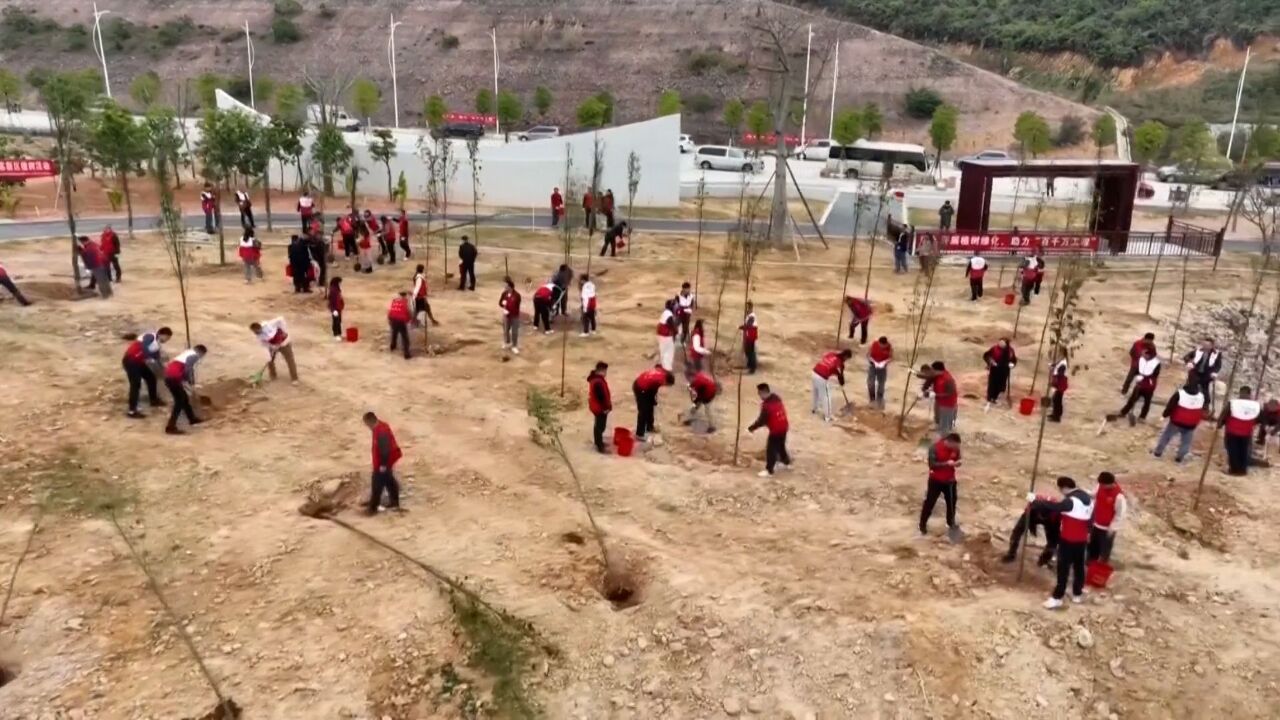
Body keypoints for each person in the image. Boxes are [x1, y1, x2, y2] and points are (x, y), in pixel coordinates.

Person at [1027, 477, 1093, 609]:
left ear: (1063, 488)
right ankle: (1077, 594)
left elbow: (1055, 507)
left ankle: (1057, 597)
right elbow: (1091, 518)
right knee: (1079, 567)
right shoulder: (1087, 498)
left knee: (1063, 569)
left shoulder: (1071, 501)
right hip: (1081, 540)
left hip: (1068, 540)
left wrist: (1035, 499)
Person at [1153, 373, 1205, 463]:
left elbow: (1171, 406)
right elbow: (1201, 409)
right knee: (1186, 442)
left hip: (1177, 421)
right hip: (1191, 424)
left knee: (1166, 436)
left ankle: (1158, 452)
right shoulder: (1201, 396)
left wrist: (1164, 415)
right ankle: (1180, 457)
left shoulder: (1180, 394)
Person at [122, 327, 172, 418]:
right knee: (135, 385)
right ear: (163, 334)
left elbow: (157, 359)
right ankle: (132, 411)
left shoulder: (157, 345)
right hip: (131, 361)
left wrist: (164, 370)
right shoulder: (150, 336)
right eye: (167, 338)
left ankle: (153, 400)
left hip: (138, 362)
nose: (167, 340)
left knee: (151, 378)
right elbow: (144, 347)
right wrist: (150, 357)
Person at [920, 433, 962, 537]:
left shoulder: (956, 449)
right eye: (955, 446)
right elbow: (932, 465)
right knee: (930, 502)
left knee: (952, 502)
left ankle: (950, 522)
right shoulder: (935, 448)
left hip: (950, 480)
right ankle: (922, 524)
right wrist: (947, 464)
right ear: (949, 442)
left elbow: (958, 459)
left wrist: (957, 463)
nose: (956, 448)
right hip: (936, 480)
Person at [1001, 493, 1060, 566]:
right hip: (1033, 513)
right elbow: (1019, 528)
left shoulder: (1057, 511)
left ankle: (1044, 560)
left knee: (1053, 541)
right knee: (1017, 532)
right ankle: (1011, 554)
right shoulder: (1031, 507)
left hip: (1051, 519)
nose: (1041, 518)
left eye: (1043, 517)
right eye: (1040, 516)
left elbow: (1055, 535)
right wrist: (1031, 526)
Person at [363, 411, 403, 514]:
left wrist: (383, 465)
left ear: (370, 422)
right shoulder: (379, 427)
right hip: (385, 461)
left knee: (377, 483)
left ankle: (373, 508)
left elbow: (385, 450)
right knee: (388, 481)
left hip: (384, 462)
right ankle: (394, 502)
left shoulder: (381, 431)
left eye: (367, 424)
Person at [747, 383, 790, 477]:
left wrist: (751, 428)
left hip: (776, 429)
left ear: (763, 393)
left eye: (759, 394)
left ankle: (769, 470)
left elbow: (761, 421)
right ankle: (786, 462)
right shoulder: (776, 398)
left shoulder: (767, 406)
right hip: (784, 426)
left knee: (771, 449)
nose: (759, 397)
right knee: (780, 445)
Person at [163, 345, 206, 435]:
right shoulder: (194, 355)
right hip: (174, 378)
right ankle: (170, 426)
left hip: (170, 377)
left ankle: (192, 419)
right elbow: (188, 369)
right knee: (179, 402)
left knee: (184, 399)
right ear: (201, 352)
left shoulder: (187, 353)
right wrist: (189, 381)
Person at [1219, 386, 1261, 475]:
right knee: (1244, 451)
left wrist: (1220, 424)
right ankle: (1243, 470)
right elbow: (1259, 418)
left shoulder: (1233, 403)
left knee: (1233, 450)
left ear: (1240, 393)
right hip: (1247, 431)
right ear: (1250, 394)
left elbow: (1224, 414)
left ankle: (1234, 470)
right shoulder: (1255, 405)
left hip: (1232, 430)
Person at [1088, 472, 1126, 564]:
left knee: (1104, 551)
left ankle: (1100, 568)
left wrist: (1112, 528)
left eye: (1103, 485)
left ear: (1110, 484)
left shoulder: (1119, 496)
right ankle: (1089, 565)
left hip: (1107, 529)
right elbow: (1093, 495)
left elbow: (1119, 514)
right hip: (1096, 524)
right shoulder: (1100, 486)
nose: (1101, 486)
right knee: (1092, 548)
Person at [1118, 344, 1161, 423]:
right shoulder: (1141, 359)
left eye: (1145, 353)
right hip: (1140, 382)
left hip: (1149, 385)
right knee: (1132, 398)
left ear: (1149, 354)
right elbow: (1137, 369)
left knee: (1147, 401)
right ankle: (1123, 412)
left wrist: (1145, 377)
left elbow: (1155, 374)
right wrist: (1137, 375)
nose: (1143, 354)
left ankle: (1142, 417)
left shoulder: (1156, 363)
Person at [250, 317, 299, 383]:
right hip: (272, 346)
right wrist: (273, 347)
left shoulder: (269, 324)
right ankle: (273, 376)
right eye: (254, 332)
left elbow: (281, 319)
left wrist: (284, 332)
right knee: (269, 360)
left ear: (260, 327)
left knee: (290, 360)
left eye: (256, 331)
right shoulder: (258, 336)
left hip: (285, 343)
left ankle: (294, 378)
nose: (255, 333)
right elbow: (264, 344)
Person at [633, 365, 675, 442]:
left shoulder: (663, 373)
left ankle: (650, 427)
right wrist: (652, 399)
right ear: (666, 381)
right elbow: (654, 388)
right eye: (667, 385)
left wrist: (653, 400)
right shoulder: (660, 379)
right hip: (640, 388)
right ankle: (639, 434)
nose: (665, 386)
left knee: (650, 407)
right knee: (643, 411)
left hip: (647, 387)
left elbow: (653, 387)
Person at [812, 348, 852, 422]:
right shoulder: (840, 363)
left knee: (816, 392)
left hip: (815, 371)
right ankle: (828, 417)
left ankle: (815, 409)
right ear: (846, 357)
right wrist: (842, 382)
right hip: (821, 376)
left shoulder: (831, 354)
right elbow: (840, 375)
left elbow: (829, 364)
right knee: (826, 396)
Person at [1183, 338, 1222, 411]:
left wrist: (1214, 372)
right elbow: (1186, 357)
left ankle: (1205, 406)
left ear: (1212, 346)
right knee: (1191, 386)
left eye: (1207, 345)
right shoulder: (1197, 350)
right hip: (1195, 371)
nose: (1205, 346)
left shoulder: (1217, 354)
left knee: (1205, 389)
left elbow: (1218, 365)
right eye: (1204, 344)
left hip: (1207, 374)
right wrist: (1189, 362)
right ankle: (1187, 402)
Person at [982, 338, 1018, 407]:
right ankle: (989, 398)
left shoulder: (1010, 351)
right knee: (992, 384)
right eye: (1000, 342)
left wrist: (1012, 364)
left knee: (1001, 384)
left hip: (1004, 370)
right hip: (994, 369)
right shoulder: (994, 349)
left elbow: (1013, 359)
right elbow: (987, 355)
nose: (1000, 344)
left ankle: (996, 397)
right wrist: (991, 361)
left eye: (1002, 343)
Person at [587, 362, 611, 453]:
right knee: (600, 427)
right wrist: (606, 408)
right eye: (605, 371)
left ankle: (598, 442)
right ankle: (600, 446)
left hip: (596, 407)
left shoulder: (596, 379)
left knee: (598, 426)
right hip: (600, 408)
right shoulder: (598, 382)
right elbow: (601, 397)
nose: (606, 373)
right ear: (601, 371)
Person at [931, 360, 959, 436]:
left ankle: (944, 437)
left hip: (948, 404)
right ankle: (939, 428)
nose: (932, 372)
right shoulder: (937, 376)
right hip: (939, 401)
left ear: (937, 370)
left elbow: (950, 393)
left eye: (933, 370)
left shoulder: (948, 379)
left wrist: (936, 395)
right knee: (938, 417)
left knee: (945, 426)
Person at [867, 336, 892, 410]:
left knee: (881, 384)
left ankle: (880, 399)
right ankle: (872, 399)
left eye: (884, 346)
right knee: (870, 383)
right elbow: (868, 355)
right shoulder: (874, 344)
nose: (882, 347)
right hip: (873, 366)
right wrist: (873, 361)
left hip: (882, 367)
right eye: (881, 345)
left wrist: (884, 362)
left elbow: (891, 357)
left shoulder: (889, 347)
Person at [388, 291, 413, 359]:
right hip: (401, 320)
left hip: (393, 319)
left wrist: (389, 320)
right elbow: (408, 311)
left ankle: (392, 347)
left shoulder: (394, 301)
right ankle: (406, 354)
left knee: (394, 333)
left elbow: (390, 310)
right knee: (405, 337)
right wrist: (410, 319)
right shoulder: (406, 302)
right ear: (405, 296)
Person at [499, 278, 522, 353]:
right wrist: (503, 304)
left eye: (506, 285)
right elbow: (500, 303)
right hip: (506, 316)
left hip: (514, 316)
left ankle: (514, 346)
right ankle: (506, 342)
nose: (505, 287)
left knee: (514, 331)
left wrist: (508, 309)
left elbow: (516, 307)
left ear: (510, 286)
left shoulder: (517, 295)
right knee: (506, 330)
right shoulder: (504, 293)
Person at [656, 300, 678, 371]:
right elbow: (673, 327)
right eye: (675, 306)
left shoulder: (665, 312)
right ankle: (667, 369)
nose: (676, 307)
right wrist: (675, 333)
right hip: (666, 336)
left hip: (661, 335)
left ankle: (663, 367)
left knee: (664, 352)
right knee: (668, 353)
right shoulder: (669, 315)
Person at [740, 302, 758, 374]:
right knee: (748, 350)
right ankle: (750, 365)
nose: (747, 309)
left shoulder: (752, 316)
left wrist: (743, 327)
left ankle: (752, 367)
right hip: (749, 335)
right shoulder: (749, 315)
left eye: (748, 308)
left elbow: (749, 325)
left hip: (751, 335)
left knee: (750, 351)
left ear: (750, 308)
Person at [328, 277, 344, 341]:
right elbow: (331, 302)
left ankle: (339, 333)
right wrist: (333, 310)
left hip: (338, 308)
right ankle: (336, 334)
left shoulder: (337, 289)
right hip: (335, 309)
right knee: (336, 321)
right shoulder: (333, 290)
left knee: (339, 321)